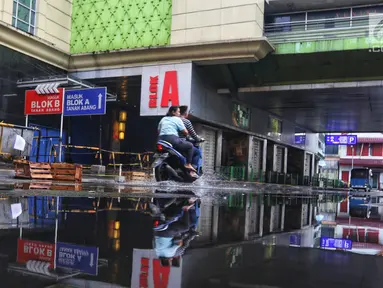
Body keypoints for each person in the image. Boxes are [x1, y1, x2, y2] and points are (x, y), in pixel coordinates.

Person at [158, 106, 196, 172]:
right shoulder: (177, 119)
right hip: (172, 139)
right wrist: (187, 135)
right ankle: (188, 164)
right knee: (190, 146)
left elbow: (159, 130)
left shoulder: (163, 119)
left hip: (161, 139)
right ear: (173, 112)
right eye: (178, 112)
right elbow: (185, 131)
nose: (179, 113)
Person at [179, 106, 204, 170]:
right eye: (188, 112)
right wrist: (198, 139)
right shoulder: (186, 121)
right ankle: (191, 170)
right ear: (185, 113)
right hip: (180, 142)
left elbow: (185, 134)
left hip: (169, 140)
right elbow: (193, 134)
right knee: (197, 152)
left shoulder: (173, 120)